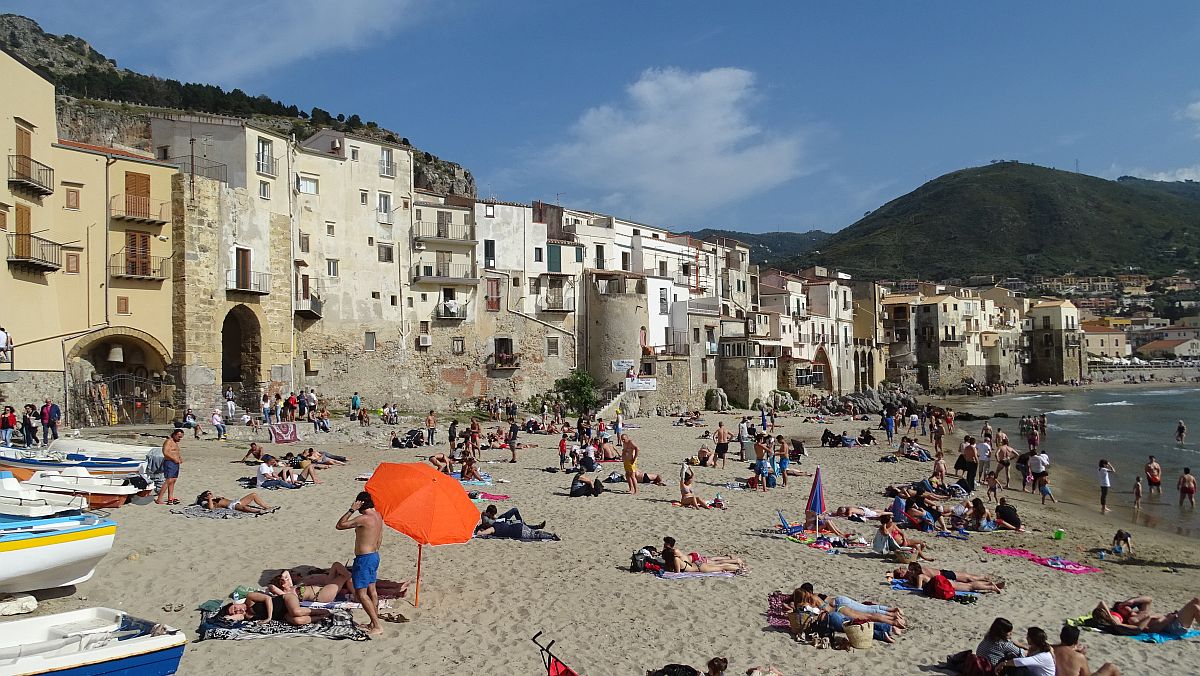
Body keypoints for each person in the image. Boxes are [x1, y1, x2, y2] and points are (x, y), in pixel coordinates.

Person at [335, 491, 384, 635]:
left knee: (361, 593)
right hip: (374, 555)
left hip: (364, 559)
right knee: (372, 591)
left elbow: (340, 525)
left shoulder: (363, 519)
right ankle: (373, 622)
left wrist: (351, 509)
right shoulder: (378, 516)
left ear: (360, 504)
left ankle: (377, 625)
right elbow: (380, 538)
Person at [220, 590, 332, 627]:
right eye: (234, 612)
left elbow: (268, 598)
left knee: (296, 612)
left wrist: (269, 617)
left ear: (235, 603)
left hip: (285, 600)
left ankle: (320, 611)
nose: (237, 610)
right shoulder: (247, 616)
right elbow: (230, 618)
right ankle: (320, 617)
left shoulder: (250, 598)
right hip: (283, 614)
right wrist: (231, 615)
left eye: (235, 607)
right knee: (297, 620)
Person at [1054, 624, 1120, 676]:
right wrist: (1082, 655)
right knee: (1110, 667)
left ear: (1060, 636)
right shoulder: (1079, 657)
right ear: (1076, 642)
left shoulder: (1050, 649)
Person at [660, 536, 744, 573]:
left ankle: (737, 563)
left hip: (696, 562)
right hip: (695, 562)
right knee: (716, 562)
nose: (664, 545)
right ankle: (735, 563)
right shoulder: (673, 554)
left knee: (718, 564)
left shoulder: (675, 553)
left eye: (665, 544)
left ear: (668, 545)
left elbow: (677, 572)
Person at [155, 429, 184, 505]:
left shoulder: (175, 442)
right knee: (168, 480)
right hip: (169, 462)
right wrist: (174, 458)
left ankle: (170, 497)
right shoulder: (168, 441)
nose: (179, 438)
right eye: (178, 436)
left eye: (181, 437)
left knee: (173, 480)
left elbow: (176, 452)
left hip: (175, 463)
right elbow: (165, 452)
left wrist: (179, 458)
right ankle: (159, 498)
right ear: (174, 435)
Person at [196, 490, 274, 514]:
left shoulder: (214, 498)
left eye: (211, 493)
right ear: (205, 497)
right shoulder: (207, 502)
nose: (211, 494)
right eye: (209, 494)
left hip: (235, 502)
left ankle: (267, 507)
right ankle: (258, 511)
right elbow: (211, 508)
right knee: (244, 508)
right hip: (231, 506)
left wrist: (220, 497)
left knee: (253, 494)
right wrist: (210, 499)